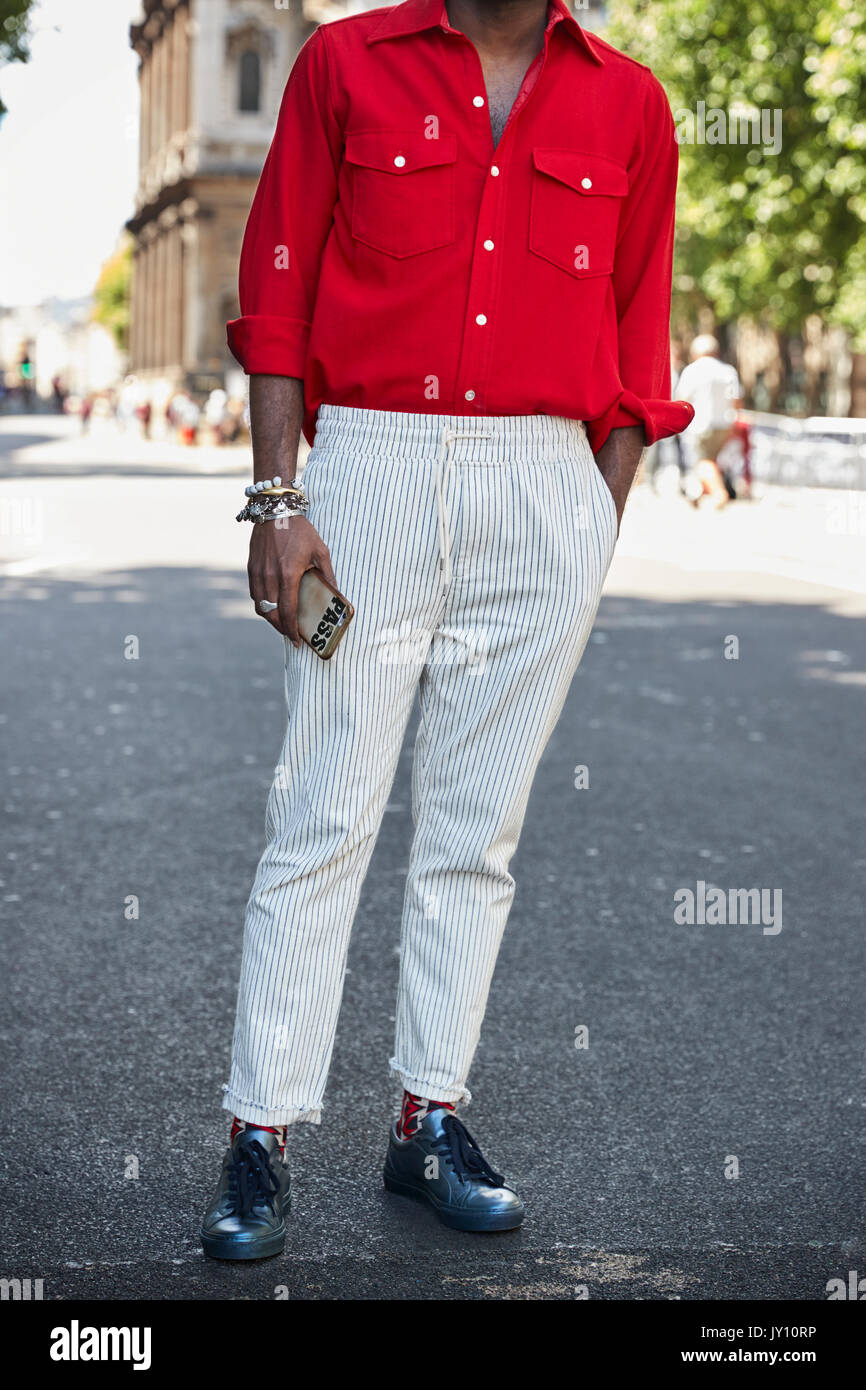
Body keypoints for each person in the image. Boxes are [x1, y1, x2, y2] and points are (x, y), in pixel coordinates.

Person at [200, 0, 694, 1260]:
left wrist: (593, 511)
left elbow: (640, 323)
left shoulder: (628, 103)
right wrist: (277, 498)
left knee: (478, 832)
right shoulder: (342, 62)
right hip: (367, 469)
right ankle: (261, 1134)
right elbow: (277, 286)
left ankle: (429, 1119)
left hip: (546, 482)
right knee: (322, 808)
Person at [676, 334, 743, 508]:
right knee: (711, 460)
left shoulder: (692, 370)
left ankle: (719, 493)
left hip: (700, 425)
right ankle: (697, 494)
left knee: (703, 462)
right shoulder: (728, 371)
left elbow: (681, 399)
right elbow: (736, 400)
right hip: (725, 424)